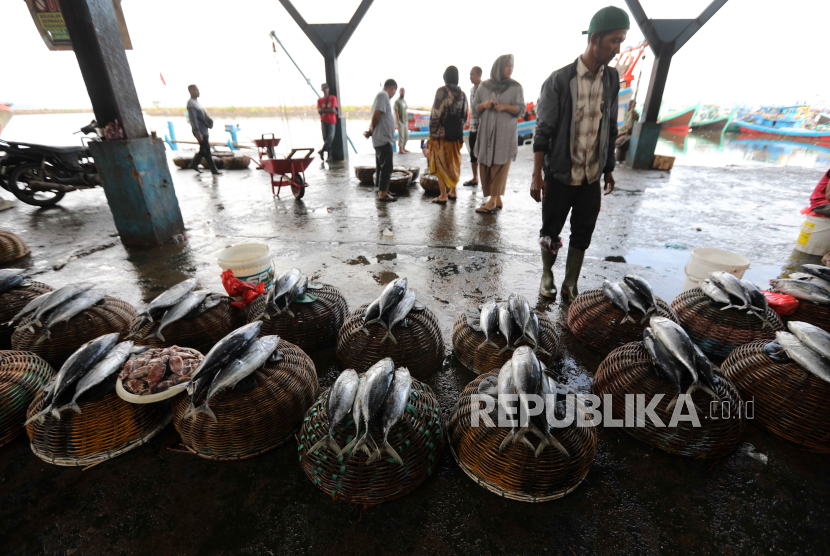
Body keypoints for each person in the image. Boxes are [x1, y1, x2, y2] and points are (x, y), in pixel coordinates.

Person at [531, 6, 628, 301]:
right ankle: (547, 275)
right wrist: (537, 175)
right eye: (614, 41)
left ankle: (569, 282)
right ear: (595, 39)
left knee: (583, 230)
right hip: (560, 173)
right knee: (551, 229)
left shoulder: (611, 79)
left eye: (621, 41)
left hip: (590, 176)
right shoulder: (559, 80)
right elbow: (543, 129)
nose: (617, 49)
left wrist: (609, 167)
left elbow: (610, 125)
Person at [473, 55, 525, 214]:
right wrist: (485, 104)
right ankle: (497, 197)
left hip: (505, 134)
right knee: (486, 164)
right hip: (486, 133)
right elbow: (475, 108)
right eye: (507, 66)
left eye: (512, 66)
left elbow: (521, 109)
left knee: (500, 164)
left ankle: (493, 201)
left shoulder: (516, 87)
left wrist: (504, 107)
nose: (510, 69)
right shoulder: (484, 86)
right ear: (498, 67)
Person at [428, 66, 469, 204]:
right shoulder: (462, 94)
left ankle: (443, 195)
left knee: (441, 165)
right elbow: (465, 116)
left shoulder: (442, 91)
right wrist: (458, 130)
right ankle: (453, 191)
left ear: (445, 77)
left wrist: (432, 133)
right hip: (456, 135)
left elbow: (435, 114)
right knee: (452, 164)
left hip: (441, 135)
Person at [364, 79, 398, 202]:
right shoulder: (383, 95)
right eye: (394, 91)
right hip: (383, 139)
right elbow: (377, 115)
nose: (393, 94)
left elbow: (379, 115)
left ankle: (381, 189)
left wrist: (370, 131)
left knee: (381, 166)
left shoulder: (382, 97)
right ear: (393, 88)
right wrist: (371, 131)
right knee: (387, 167)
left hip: (382, 138)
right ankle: (382, 193)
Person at [186, 85, 220, 175]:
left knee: (204, 150)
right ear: (191, 91)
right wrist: (197, 132)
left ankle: (194, 164)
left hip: (204, 130)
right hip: (200, 131)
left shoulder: (196, 103)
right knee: (207, 150)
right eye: (196, 90)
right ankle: (214, 170)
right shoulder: (191, 104)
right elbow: (193, 120)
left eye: (198, 90)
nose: (198, 92)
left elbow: (204, 117)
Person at [464, 66, 483, 186]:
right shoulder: (471, 90)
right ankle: (475, 178)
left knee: (484, 155)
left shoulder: (484, 88)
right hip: (473, 127)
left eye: (472, 74)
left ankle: (485, 180)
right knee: (473, 153)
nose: (470, 77)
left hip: (482, 127)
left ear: (479, 74)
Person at [317, 83, 338, 161]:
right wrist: (330, 110)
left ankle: (322, 151)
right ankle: (329, 156)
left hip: (332, 120)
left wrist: (324, 110)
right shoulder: (320, 100)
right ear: (322, 90)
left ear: (328, 89)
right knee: (325, 138)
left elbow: (333, 109)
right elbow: (319, 111)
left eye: (326, 88)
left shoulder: (333, 98)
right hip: (323, 121)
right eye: (324, 89)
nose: (325, 90)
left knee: (330, 137)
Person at [395, 87, 409, 153]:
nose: (403, 92)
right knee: (401, 136)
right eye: (401, 91)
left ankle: (403, 148)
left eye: (404, 91)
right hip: (400, 121)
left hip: (405, 121)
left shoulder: (404, 101)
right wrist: (398, 121)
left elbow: (405, 110)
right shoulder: (397, 101)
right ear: (399, 92)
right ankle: (400, 149)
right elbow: (396, 111)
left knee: (406, 135)